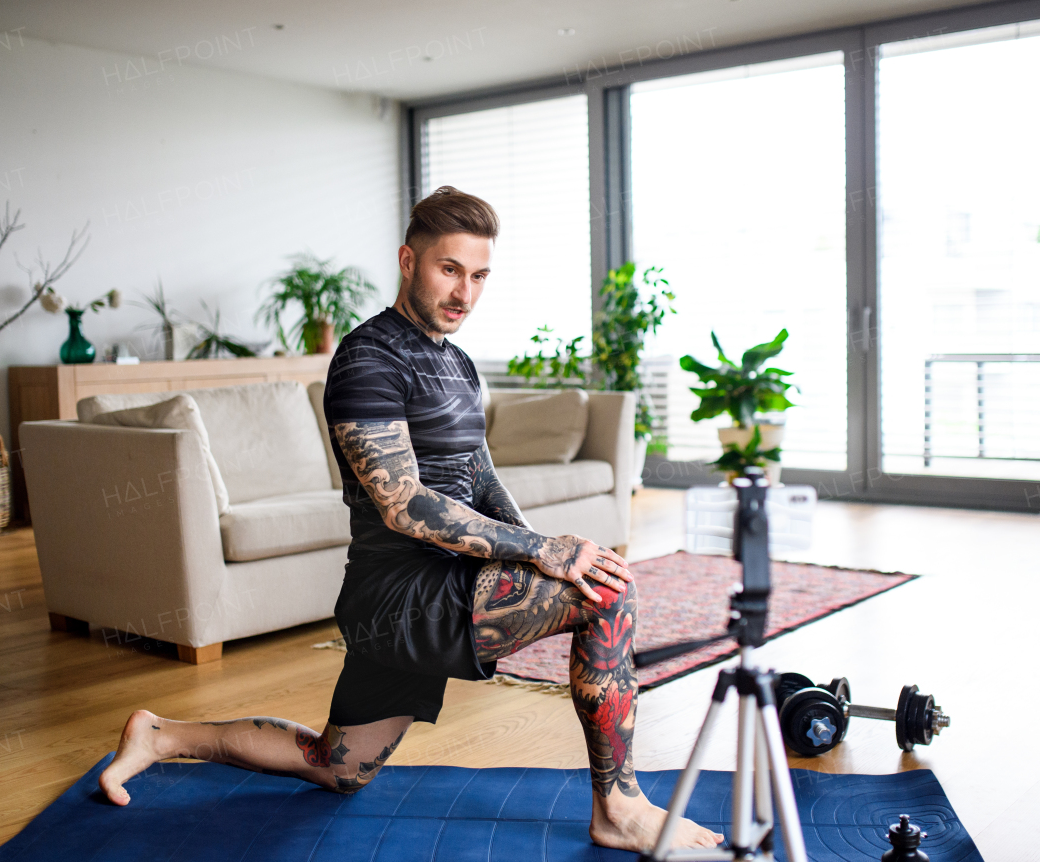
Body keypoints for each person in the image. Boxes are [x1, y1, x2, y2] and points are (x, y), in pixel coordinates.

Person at [98, 186, 722, 853]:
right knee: (608, 595)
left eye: (479, 275)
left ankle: (162, 734)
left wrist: (539, 548)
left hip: (440, 585)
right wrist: (541, 551)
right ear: (408, 260)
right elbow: (403, 502)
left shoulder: (455, 363)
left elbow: (479, 479)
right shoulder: (369, 359)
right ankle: (618, 808)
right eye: (448, 269)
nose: (464, 292)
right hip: (400, 594)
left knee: (336, 766)